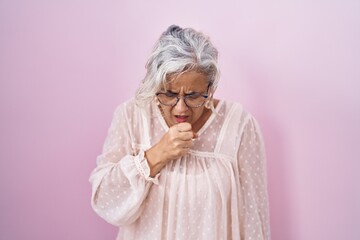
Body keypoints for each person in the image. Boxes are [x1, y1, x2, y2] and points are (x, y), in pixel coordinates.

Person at [89, 25, 270, 240]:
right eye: (169, 94)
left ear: (210, 89)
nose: (180, 108)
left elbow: (254, 217)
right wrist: (156, 155)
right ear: (154, 84)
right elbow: (105, 200)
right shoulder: (132, 116)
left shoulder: (239, 125)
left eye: (193, 96)